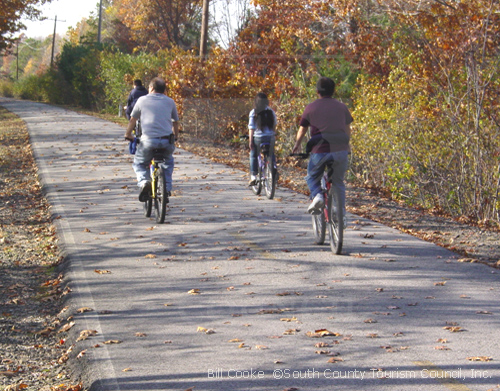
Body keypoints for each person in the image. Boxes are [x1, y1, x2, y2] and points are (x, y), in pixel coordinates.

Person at [292, 77, 352, 215]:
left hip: (320, 150)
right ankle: (340, 214)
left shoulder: (311, 107)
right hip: (340, 149)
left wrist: (297, 145)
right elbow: (347, 127)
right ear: (333, 91)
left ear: (317, 91)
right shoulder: (342, 107)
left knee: (312, 176)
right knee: (338, 182)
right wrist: (347, 144)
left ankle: (318, 195)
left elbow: (302, 129)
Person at [124, 77, 179, 202]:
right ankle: (166, 188)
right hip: (166, 141)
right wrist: (175, 137)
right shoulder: (170, 102)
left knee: (139, 163)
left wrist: (128, 134)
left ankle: (144, 182)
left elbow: (133, 119)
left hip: (148, 141)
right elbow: (175, 122)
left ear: (152, 88)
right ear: (163, 90)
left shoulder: (142, 100)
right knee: (168, 162)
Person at [248, 92, 277, 186]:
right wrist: (273, 136)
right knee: (271, 153)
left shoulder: (254, 112)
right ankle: (273, 167)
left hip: (258, 138)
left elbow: (251, 128)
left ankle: (253, 175)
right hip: (270, 137)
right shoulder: (271, 111)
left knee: (253, 154)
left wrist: (250, 141)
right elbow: (274, 126)